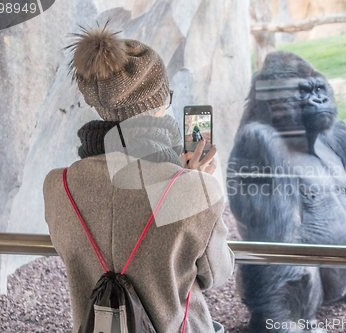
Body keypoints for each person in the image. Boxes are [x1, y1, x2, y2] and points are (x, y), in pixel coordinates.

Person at [43, 25, 234, 333]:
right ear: (161, 102)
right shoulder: (192, 189)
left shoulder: (58, 185)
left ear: (96, 104)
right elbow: (217, 273)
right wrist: (195, 186)